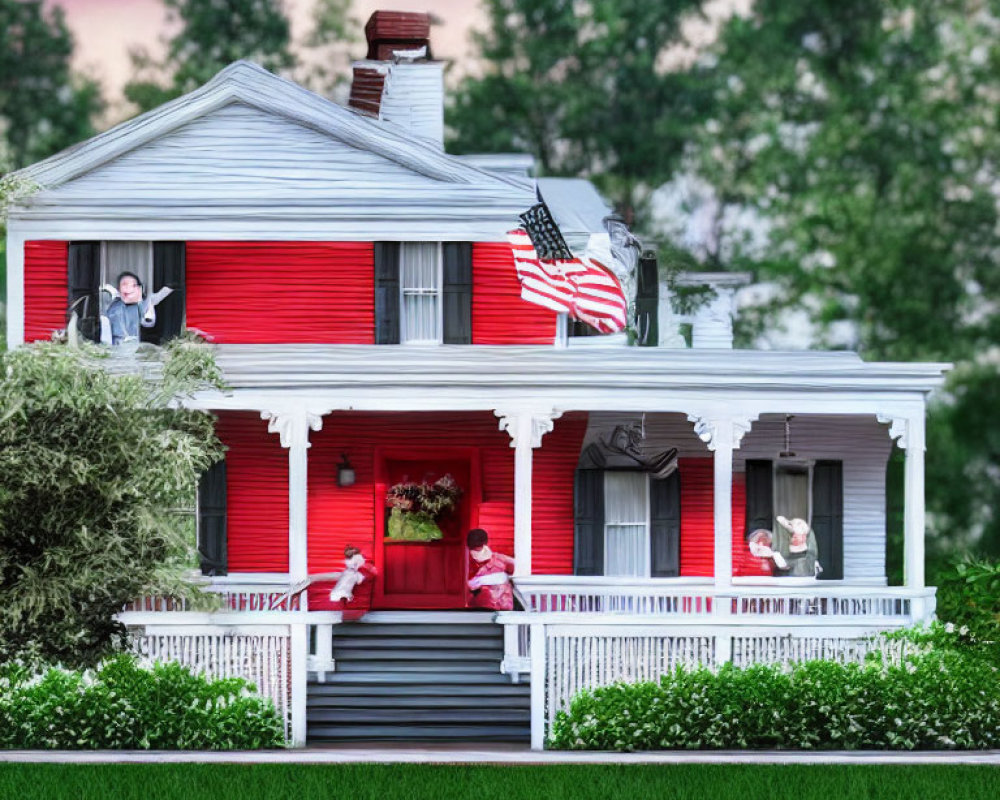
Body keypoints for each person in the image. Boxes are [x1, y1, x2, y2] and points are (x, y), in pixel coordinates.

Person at [101, 271, 172, 346]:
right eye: (124, 284)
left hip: (134, 345)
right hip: (116, 345)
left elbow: (148, 322)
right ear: (119, 289)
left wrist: (168, 288)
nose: (129, 288)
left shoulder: (142, 305)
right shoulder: (114, 305)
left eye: (134, 285)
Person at [466, 528, 515, 611]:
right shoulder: (466, 562)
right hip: (481, 609)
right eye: (474, 548)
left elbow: (516, 568)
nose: (477, 551)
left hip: (503, 607)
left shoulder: (500, 559)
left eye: (479, 546)